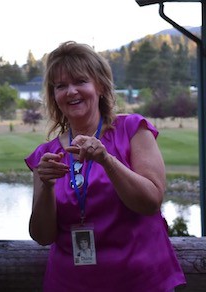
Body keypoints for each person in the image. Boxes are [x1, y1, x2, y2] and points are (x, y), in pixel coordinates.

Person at [25, 41, 186, 291]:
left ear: (99, 86)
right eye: (61, 86)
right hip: (70, 284)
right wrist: (45, 186)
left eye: (80, 81)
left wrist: (106, 160)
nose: (71, 91)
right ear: (53, 96)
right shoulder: (46, 156)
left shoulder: (132, 130)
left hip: (141, 281)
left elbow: (151, 201)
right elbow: (43, 236)